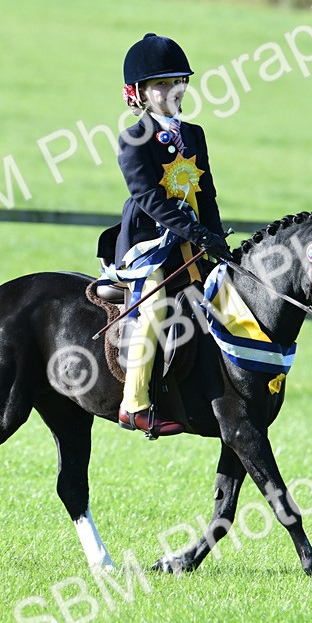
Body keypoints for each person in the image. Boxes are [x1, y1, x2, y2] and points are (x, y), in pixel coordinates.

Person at [99, 33, 231, 437]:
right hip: (148, 243)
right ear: (139, 93)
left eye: (179, 82)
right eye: (161, 85)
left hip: (195, 240)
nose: (172, 91)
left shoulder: (195, 134)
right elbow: (149, 198)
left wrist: (216, 239)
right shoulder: (131, 140)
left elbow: (206, 192)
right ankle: (134, 404)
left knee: (231, 297)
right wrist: (194, 231)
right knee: (155, 308)